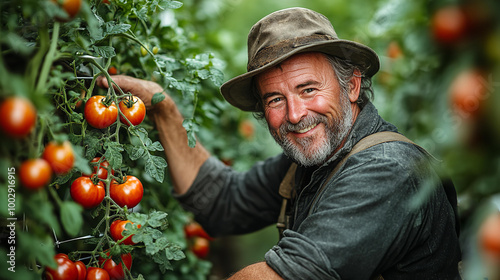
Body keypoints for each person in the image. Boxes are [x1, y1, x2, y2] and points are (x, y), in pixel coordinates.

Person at [97, 7, 462, 280]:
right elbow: (222, 201)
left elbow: (290, 275)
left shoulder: (387, 169)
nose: (295, 114)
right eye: (274, 99)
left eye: (308, 90)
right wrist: (163, 107)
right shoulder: (312, 160)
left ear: (351, 86)